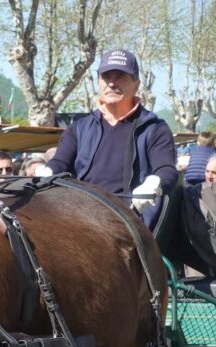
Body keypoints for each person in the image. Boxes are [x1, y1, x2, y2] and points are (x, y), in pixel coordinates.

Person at [44, 49, 176, 230]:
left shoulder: (155, 128)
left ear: (136, 84)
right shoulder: (79, 128)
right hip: (80, 215)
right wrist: (46, 171)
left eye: (120, 76)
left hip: (131, 219)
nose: (112, 83)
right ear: (99, 82)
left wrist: (153, 184)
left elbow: (167, 170)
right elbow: (59, 162)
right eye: (106, 77)